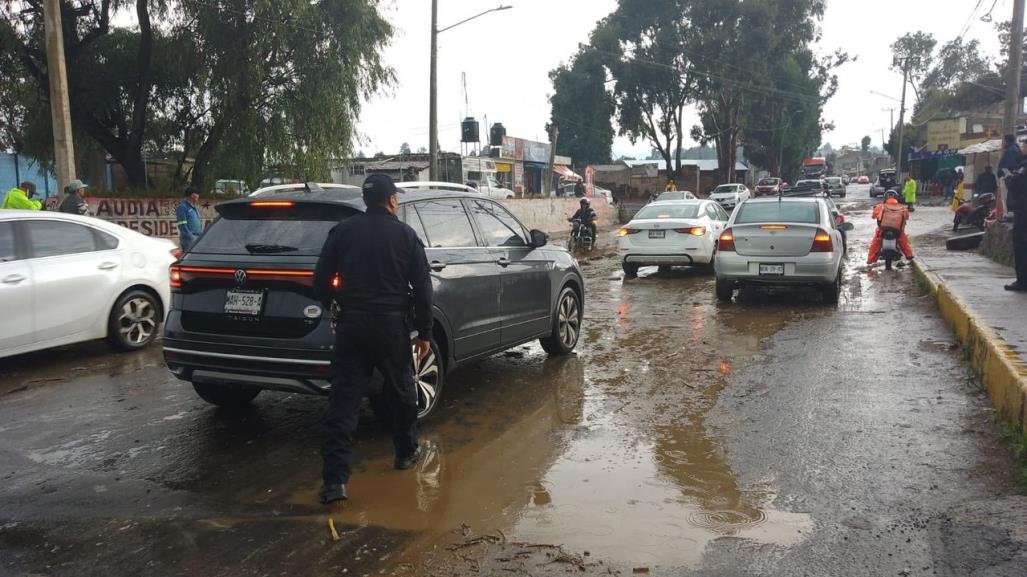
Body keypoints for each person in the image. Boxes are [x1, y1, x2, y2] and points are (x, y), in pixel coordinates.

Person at [313, 173, 433, 504]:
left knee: (343, 402)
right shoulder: (406, 235)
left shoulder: (342, 232)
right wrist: (424, 333)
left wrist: (336, 307)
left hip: (351, 326)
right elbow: (423, 286)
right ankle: (405, 453)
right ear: (392, 199)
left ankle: (335, 482)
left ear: (366, 200)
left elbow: (320, 280)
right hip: (390, 326)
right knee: (401, 390)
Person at [867, 190, 914, 265]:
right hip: (897, 231)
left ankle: (870, 260)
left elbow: (873, 216)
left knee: (875, 243)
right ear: (896, 198)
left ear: (885, 198)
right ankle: (909, 256)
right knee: (904, 241)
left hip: (883, 230)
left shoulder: (880, 206)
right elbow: (906, 217)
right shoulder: (902, 208)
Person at [1004, 157, 1027, 291]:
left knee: (1021, 246)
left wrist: (1008, 177)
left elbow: (1014, 184)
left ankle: (1022, 281)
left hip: (1023, 212)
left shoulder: (1024, 166)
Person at [998, 134, 1023, 219]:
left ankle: (1008, 215)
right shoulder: (1014, 149)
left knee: (1007, 197)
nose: (1003, 143)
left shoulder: (1011, 151)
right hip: (1010, 178)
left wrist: (1007, 176)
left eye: (1004, 141)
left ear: (1007, 141)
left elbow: (1011, 166)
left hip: (1009, 178)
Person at [176, 186, 203, 251]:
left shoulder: (194, 207)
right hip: (189, 240)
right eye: (197, 194)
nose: (198, 196)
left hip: (197, 238)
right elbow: (182, 225)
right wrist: (191, 237)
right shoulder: (183, 207)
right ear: (192, 195)